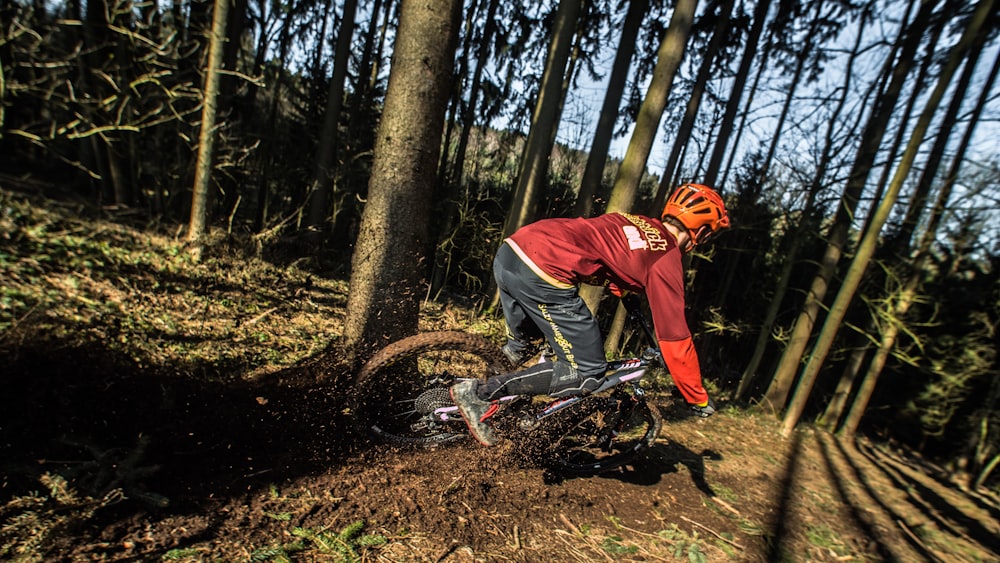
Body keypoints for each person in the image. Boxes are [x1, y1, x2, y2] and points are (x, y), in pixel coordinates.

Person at [450, 183, 731, 446]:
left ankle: (449, 401)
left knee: (523, 345)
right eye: (710, 233)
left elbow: (612, 260)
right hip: (545, 270)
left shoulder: (636, 222)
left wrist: (628, 298)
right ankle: (478, 395)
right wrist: (697, 396)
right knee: (588, 371)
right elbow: (675, 337)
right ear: (702, 231)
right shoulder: (667, 256)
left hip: (514, 249)